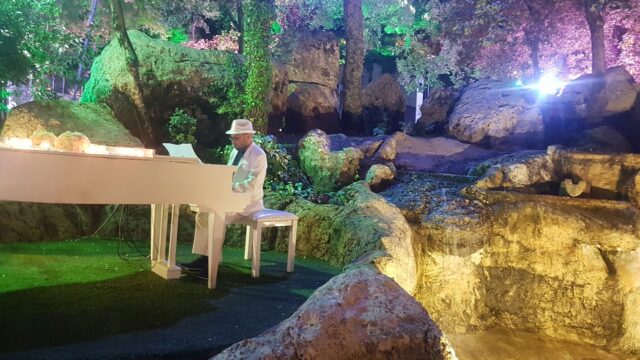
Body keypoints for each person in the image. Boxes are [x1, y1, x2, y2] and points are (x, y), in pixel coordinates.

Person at [181, 119, 268, 272]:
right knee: (202, 214)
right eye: (232, 138)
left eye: (236, 137)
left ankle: (210, 261)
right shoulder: (235, 152)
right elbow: (229, 175)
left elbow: (253, 185)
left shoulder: (258, 155)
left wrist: (229, 187)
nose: (232, 141)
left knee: (216, 216)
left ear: (248, 136)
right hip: (231, 199)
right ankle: (205, 257)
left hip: (248, 204)